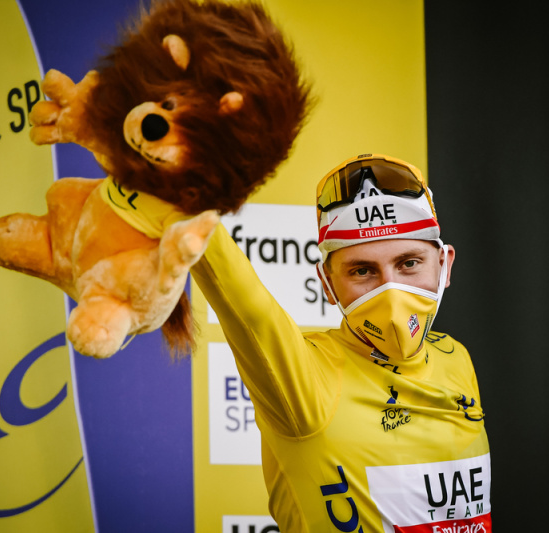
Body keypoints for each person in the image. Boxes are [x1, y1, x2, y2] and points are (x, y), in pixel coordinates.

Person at [191, 153, 491, 532]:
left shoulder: (456, 357)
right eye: (362, 271)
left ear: (444, 264)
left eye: (409, 263)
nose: (391, 291)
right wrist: (179, 193)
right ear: (328, 283)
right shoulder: (306, 378)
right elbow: (241, 297)